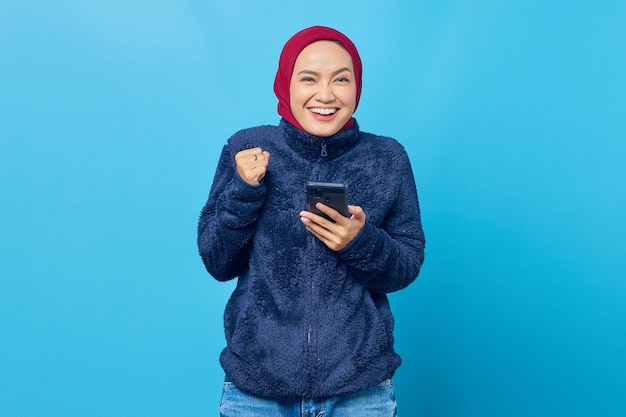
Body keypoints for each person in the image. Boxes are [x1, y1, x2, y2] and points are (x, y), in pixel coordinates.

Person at [197, 25, 425, 417]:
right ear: (286, 84)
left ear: (357, 86)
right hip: (256, 388)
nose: (325, 94)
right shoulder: (247, 148)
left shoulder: (388, 158)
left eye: (341, 79)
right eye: (309, 79)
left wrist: (360, 241)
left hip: (359, 389)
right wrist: (244, 192)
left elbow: (404, 268)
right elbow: (218, 262)